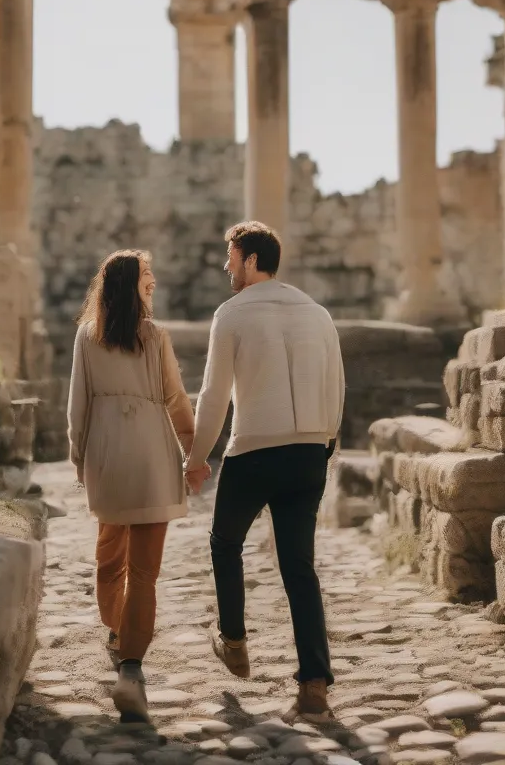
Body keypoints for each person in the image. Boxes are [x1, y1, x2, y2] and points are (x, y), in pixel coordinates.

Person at [183, 221, 345, 722]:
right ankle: (313, 686)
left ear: (252, 259)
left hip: (253, 450)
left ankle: (233, 638)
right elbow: (336, 384)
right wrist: (326, 445)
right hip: (307, 451)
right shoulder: (317, 314)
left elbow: (213, 395)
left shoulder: (231, 313)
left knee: (224, 542)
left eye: (231, 257)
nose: (226, 266)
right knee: (299, 568)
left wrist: (196, 456)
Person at [67, 249, 210, 724]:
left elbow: (78, 406)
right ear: (130, 284)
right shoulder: (155, 336)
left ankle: (116, 632)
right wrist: (193, 453)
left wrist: (78, 456)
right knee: (144, 571)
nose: (154, 280)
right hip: (150, 450)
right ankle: (131, 667)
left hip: (108, 451)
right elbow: (174, 397)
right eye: (147, 275)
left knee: (109, 556)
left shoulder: (88, 338)